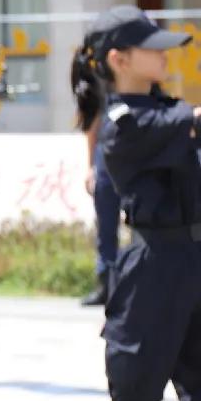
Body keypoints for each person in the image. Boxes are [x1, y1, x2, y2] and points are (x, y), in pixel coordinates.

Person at [72, 6, 201, 401]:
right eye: (153, 46)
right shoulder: (123, 124)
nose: (164, 53)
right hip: (152, 276)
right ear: (120, 59)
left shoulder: (170, 112)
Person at [72, 28, 122, 307]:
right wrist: (90, 166)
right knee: (105, 225)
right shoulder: (95, 80)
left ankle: (134, 284)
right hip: (105, 158)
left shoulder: (129, 74)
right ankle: (107, 285)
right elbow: (92, 126)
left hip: (132, 154)